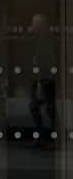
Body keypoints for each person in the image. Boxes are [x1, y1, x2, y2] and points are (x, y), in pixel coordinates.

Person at [28, 14, 57, 148]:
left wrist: (45, 77)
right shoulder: (38, 38)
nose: (32, 26)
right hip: (41, 77)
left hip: (45, 78)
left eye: (34, 24)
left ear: (40, 25)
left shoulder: (46, 39)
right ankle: (44, 137)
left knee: (49, 109)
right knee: (37, 107)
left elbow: (49, 59)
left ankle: (52, 139)